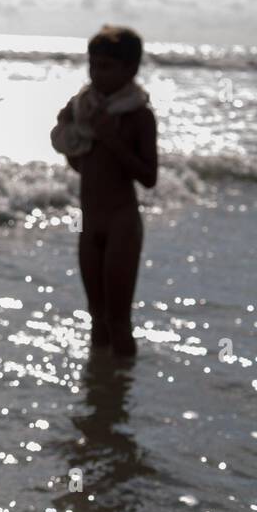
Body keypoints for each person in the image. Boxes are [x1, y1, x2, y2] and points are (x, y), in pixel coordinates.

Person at [51, 25, 158, 358]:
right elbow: (85, 168)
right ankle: (101, 392)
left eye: (106, 66)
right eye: (92, 65)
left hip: (122, 224)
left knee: (118, 319)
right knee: (96, 318)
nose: (96, 74)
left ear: (130, 70)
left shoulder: (139, 116)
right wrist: (69, 132)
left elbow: (149, 177)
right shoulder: (89, 111)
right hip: (88, 225)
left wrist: (111, 137)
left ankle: (124, 392)